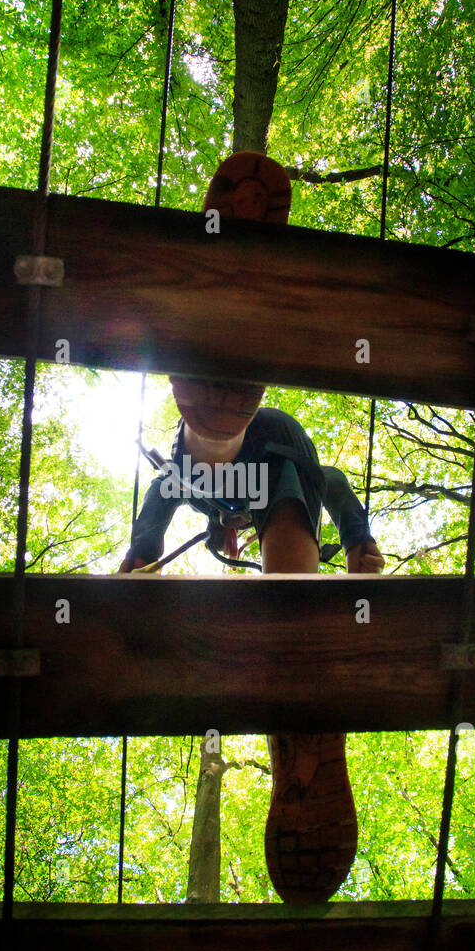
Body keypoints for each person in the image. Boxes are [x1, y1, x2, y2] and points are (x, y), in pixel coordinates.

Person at [118, 152, 384, 903]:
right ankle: (299, 696)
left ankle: (214, 408)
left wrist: (141, 555)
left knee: (212, 471)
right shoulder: (236, 509)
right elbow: (313, 489)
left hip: (271, 450)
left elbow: (169, 494)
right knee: (281, 539)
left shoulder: (209, 492)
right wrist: (355, 540)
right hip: (276, 482)